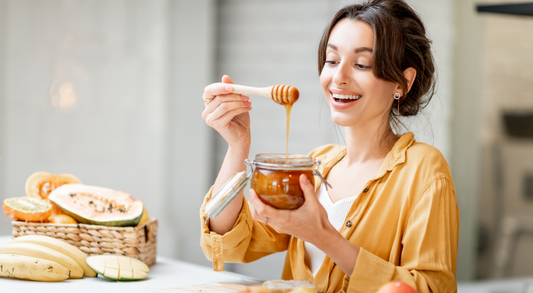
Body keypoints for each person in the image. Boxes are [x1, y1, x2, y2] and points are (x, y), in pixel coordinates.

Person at [199, 0, 459, 292]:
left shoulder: (424, 170)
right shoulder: (316, 164)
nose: (339, 78)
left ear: (403, 82)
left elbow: (432, 287)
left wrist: (322, 235)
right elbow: (229, 241)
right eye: (332, 61)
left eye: (362, 64)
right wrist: (238, 146)